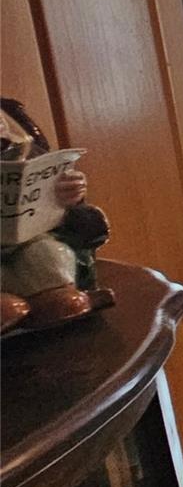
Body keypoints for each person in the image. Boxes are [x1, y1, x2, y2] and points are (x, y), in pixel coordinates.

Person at [1, 98, 110, 332]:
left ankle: (51, 298)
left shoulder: (20, 143)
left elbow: (48, 182)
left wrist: (68, 193)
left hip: (26, 242)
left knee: (47, 253)